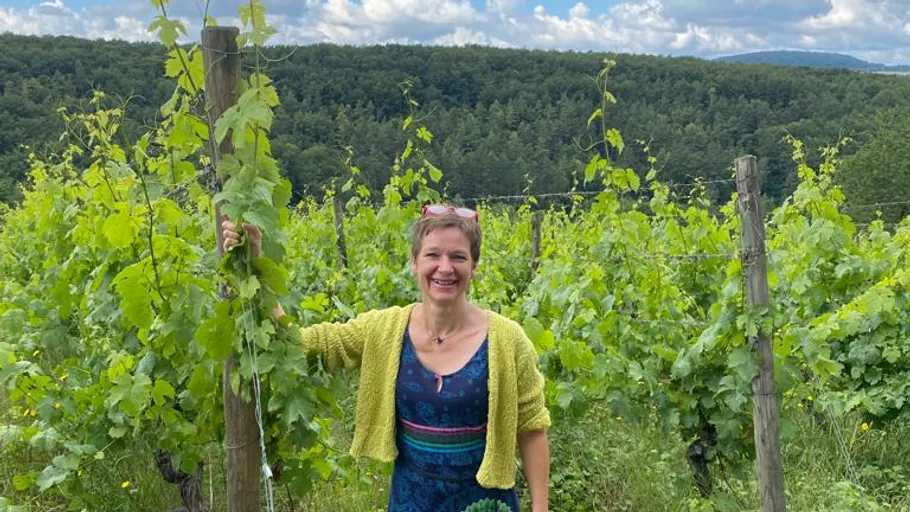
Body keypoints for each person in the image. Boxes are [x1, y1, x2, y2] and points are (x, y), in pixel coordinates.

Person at [221, 204, 550, 512]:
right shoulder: (384, 329)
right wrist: (255, 265)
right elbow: (304, 345)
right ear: (415, 262)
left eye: (459, 257)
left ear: (474, 267)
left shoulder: (507, 339)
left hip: (485, 502)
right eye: (433, 254)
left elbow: (532, 429)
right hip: (411, 500)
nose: (445, 268)